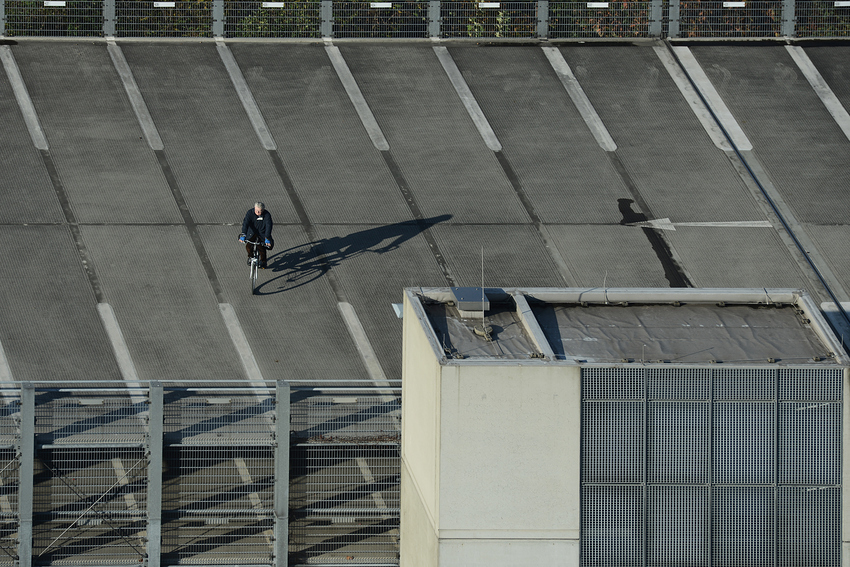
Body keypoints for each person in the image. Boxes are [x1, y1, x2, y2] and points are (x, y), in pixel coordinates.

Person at [239, 202, 274, 269]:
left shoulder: (267, 215)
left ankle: (263, 261)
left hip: (262, 234)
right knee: (248, 246)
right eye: (256, 210)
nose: (257, 212)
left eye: (259, 211)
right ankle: (250, 256)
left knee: (261, 248)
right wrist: (243, 234)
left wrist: (267, 237)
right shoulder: (250, 213)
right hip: (251, 233)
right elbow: (245, 223)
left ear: (263, 210)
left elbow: (268, 226)